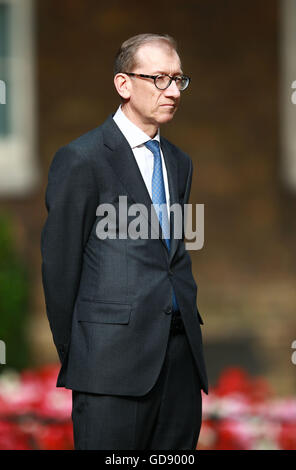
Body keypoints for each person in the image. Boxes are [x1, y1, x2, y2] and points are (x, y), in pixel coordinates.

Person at [41, 33, 208, 450]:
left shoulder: (179, 163)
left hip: (179, 363)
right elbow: (59, 268)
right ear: (124, 84)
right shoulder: (82, 159)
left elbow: (169, 256)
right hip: (109, 368)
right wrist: (83, 351)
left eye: (178, 80)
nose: (172, 91)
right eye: (160, 79)